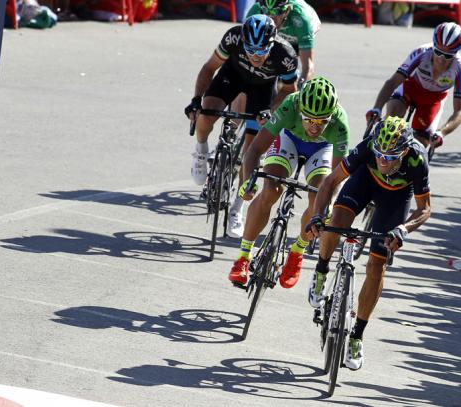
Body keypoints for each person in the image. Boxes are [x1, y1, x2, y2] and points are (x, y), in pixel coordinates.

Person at [306, 116, 431, 370]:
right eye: (379, 154)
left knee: (376, 267)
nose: (383, 160)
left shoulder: (417, 160)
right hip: (365, 182)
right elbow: (330, 181)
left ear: (404, 151)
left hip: (396, 197)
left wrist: (402, 229)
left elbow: (425, 208)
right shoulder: (368, 148)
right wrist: (318, 215)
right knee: (337, 220)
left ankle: (357, 335)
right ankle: (321, 270)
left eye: (390, 156)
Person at [228, 77, 351, 289]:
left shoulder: (340, 124)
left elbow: (336, 178)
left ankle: (297, 251)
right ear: (300, 110)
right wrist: (249, 181)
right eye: (309, 119)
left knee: (318, 203)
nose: (314, 127)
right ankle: (243, 257)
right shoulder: (290, 105)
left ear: (331, 117)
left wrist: (325, 208)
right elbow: (255, 150)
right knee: (270, 190)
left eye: (322, 121)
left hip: (321, 150)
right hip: (289, 140)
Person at [184, 15, 298, 231]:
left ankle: (238, 209)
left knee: (252, 151)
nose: (256, 56)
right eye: (251, 50)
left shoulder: (285, 55)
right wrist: (196, 100)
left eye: (261, 51)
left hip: (263, 89)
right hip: (232, 75)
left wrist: (270, 111)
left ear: (272, 44)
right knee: (207, 113)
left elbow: (289, 91)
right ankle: (200, 150)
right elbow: (209, 68)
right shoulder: (233, 37)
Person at [366, 22, 461, 152]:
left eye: (448, 56)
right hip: (410, 88)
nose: (441, 59)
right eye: (438, 52)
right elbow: (392, 82)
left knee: (418, 148)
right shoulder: (421, 52)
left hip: (432, 101)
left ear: (456, 53)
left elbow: (460, 111)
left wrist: (442, 132)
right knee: (391, 123)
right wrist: (377, 108)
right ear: (434, 46)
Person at [247, 0, 321, 85]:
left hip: (299, 31)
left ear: (287, 10)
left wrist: (302, 83)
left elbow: (308, 66)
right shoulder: (255, 10)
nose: (271, 16)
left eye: (276, 11)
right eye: (265, 11)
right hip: (284, 29)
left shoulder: (301, 20)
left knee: (288, 62)